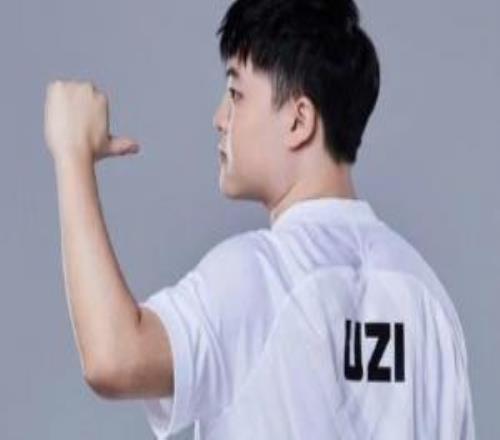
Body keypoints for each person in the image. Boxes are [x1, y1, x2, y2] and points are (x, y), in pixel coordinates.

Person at [44, 0, 476, 439]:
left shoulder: (258, 274)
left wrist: (72, 153)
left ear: (299, 120)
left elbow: (113, 358)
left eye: (236, 94)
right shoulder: (427, 296)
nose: (219, 119)